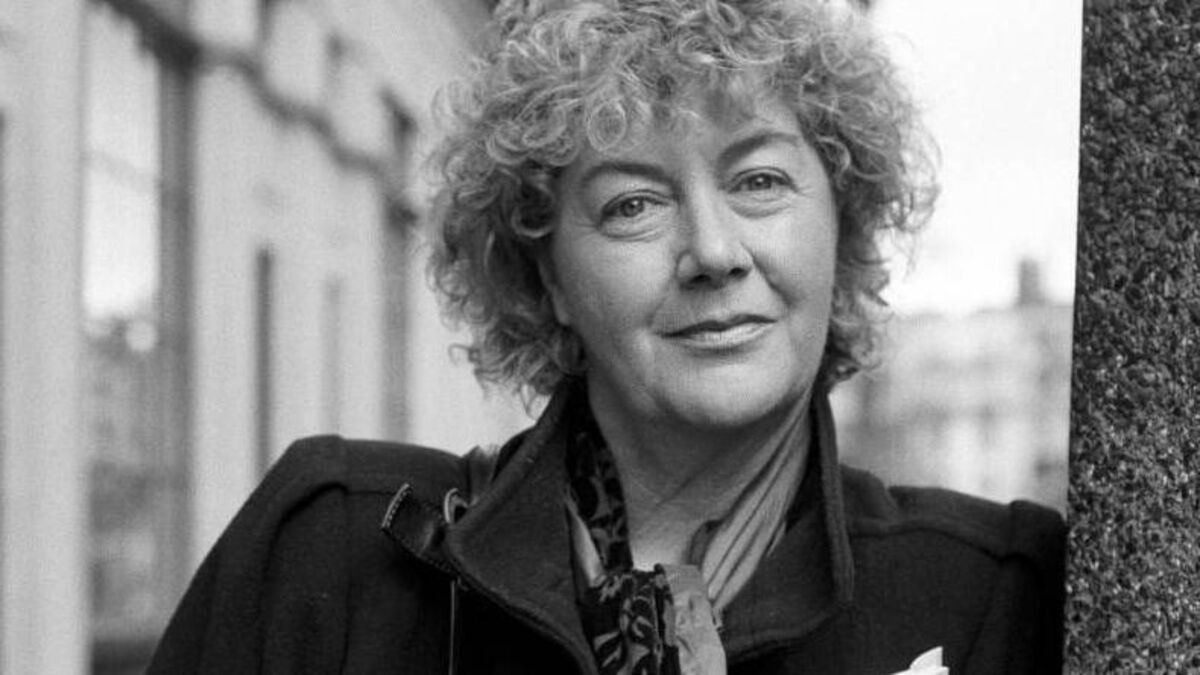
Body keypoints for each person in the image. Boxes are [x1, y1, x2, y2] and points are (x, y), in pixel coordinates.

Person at [149, 1, 1065, 673]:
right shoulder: (333, 552)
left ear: (843, 223)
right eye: (633, 203)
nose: (713, 251)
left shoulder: (992, 595)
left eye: (759, 181)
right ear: (544, 275)